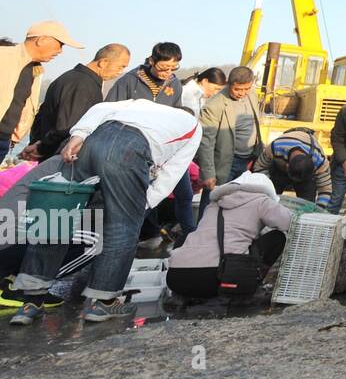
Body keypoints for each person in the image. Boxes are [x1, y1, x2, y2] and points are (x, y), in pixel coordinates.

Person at [9, 99, 201, 325]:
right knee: (122, 227)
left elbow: (99, 108)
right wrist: (144, 204)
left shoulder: (141, 104)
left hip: (90, 142)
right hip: (129, 151)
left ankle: (31, 302)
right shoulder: (194, 128)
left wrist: (78, 136)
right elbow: (172, 173)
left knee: (58, 219)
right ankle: (103, 303)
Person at [167, 171, 293, 300]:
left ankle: (184, 297)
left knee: (187, 238)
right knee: (277, 237)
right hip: (219, 278)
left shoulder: (213, 205)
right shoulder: (262, 201)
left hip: (176, 279)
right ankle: (255, 282)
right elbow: (289, 222)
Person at [24, 43, 131, 161]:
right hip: (61, 157)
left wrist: (38, 144)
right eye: (120, 67)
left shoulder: (71, 77)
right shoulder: (83, 85)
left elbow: (42, 117)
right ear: (103, 62)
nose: (120, 72)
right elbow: (67, 126)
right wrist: (42, 149)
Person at [1, 21, 84, 158]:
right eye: (60, 45)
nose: (60, 51)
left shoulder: (34, 70)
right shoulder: (4, 57)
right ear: (41, 40)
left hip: (5, 139)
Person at [196, 67, 261, 219]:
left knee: (236, 206)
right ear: (228, 84)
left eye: (246, 89)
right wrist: (208, 173)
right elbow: (206, 142)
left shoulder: (252, 95)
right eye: (238, 89)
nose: (242, 93)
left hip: (248, 161)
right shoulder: (215, 105)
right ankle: (201, 236)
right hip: (226, 163)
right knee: (212, 205)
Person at [106, 42, 184, 108]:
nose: (169, 72)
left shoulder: (175, 84)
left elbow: (176, 113)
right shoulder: (129, 80)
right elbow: (109, 108)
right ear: (152, 61)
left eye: (173, 68)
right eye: (164, 67)